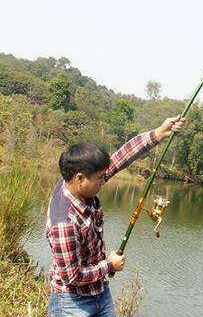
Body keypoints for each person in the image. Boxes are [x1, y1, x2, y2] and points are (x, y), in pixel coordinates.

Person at [46, 115, 186, 317]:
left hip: (99, 293)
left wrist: (159, 133)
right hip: (71, 303)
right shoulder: (64, 223)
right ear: (80, 178)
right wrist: (109, 265)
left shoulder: (78, 184)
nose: (104, 181)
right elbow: (71, 276)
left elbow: (121, 157)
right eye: (99, 179)